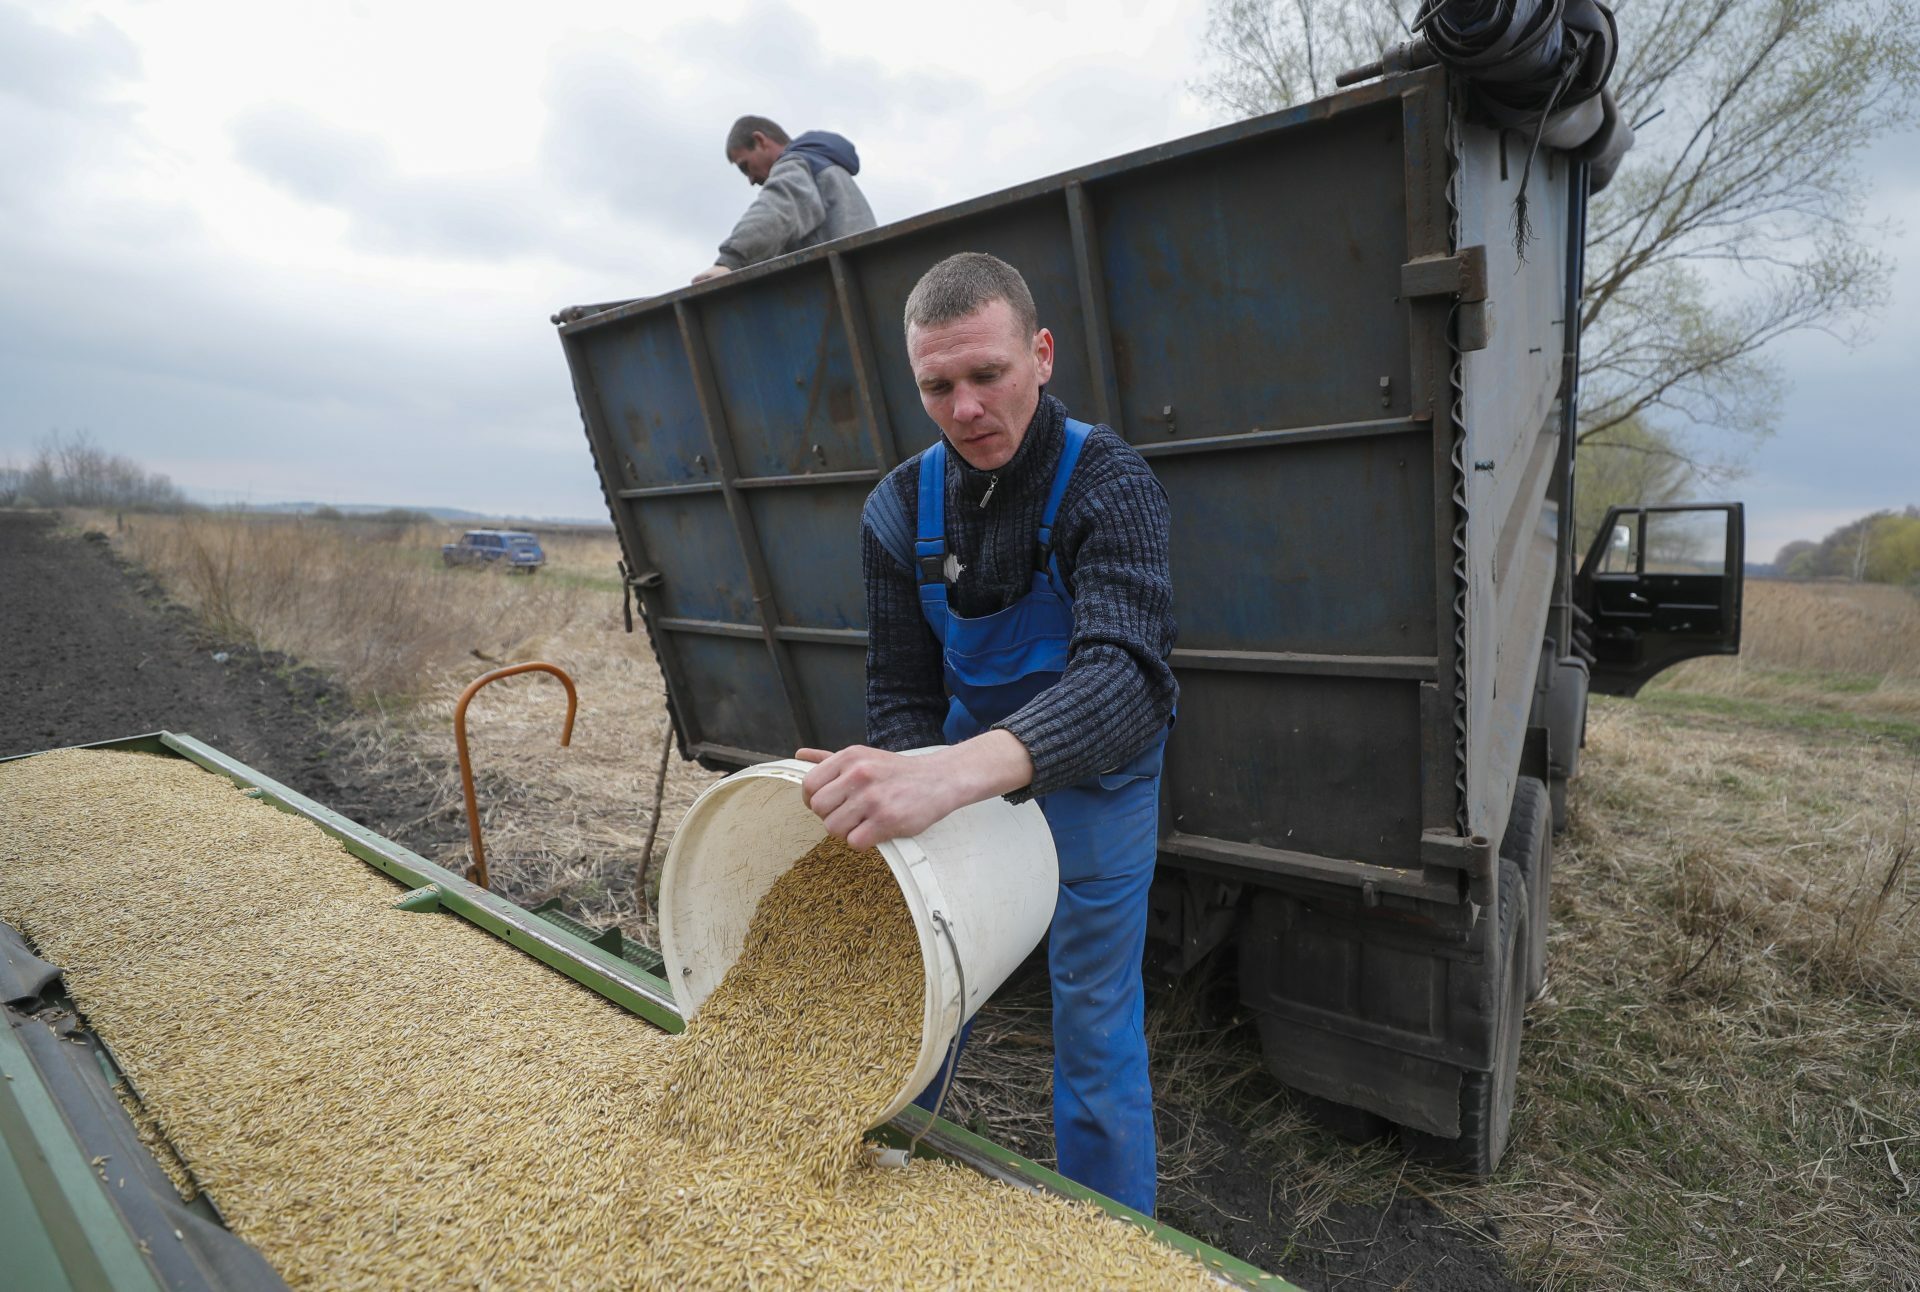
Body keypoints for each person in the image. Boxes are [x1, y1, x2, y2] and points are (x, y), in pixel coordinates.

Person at [796, 252, 1177, 1217]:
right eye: (938, 386)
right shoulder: (898, 507)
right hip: (957, 783)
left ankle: (1109, 1245)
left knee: (1093, 1016)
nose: (966, 408)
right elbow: (902, 690)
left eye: (988, 375)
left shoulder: (1110, 482)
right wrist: (902, 772)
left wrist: (953, 774)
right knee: (918, 984)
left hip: (1097, 791)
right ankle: (867, 1193)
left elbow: (1127, 677)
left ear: (1040, 356)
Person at [691, 116, 877, 285]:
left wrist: (729, 262)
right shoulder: (824, 168)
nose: (750, 180)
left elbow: (776, 210)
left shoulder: (797, 164)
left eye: (744, 167)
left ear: (760, 141)